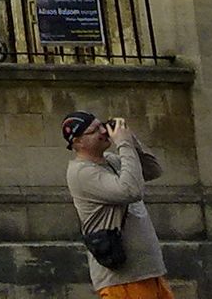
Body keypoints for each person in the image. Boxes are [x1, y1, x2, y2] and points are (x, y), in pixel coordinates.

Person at [62, 109, 169, 297]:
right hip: (123, 281)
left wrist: (130, 139)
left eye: (102, 125)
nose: (103, 131)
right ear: (77, 142)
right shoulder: (81, 173)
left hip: (148, 273)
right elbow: (131, 190)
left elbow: (153, 170)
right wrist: (123, 144)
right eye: (94, 130)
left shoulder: (111, 160)